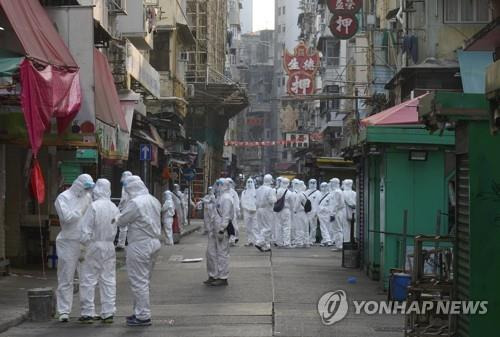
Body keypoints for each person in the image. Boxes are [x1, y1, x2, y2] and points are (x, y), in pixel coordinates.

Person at [114, 178, 162, 326]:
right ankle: (139, 311)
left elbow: (122, 221)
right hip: (154, 243)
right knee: (144, 281)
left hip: (140, 244)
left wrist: (115, 217)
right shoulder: (153, 200)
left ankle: (143, 316)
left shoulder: (136, 203)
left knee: (138, 281)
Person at [54, 174, 95, 322]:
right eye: (85, 187)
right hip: (68, 241)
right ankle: (64, 311)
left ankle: (88, 310)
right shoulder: (63, 198)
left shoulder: (87, 197)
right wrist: (81, 208)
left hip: (84, 242)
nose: (86, 191)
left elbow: (91, 218)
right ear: (78, 184)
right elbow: (66, 218)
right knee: (66, 276)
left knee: (87, 277)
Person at [79, 179, 120, 323]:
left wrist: (82, 247)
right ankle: (108, 312)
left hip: (94, 245)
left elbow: (85, 229)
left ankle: (87, 312)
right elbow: (116, 227)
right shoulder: (114, 207)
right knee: (108, 279)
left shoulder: (94, 207)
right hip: (109, 246)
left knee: (89, 278)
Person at [205, 178, 233, 286]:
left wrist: (222, 229)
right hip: (213, 229)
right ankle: (213, 274)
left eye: (219, 185)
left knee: (222, 253)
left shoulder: (226, 198)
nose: (217, 187)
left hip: (221, 230)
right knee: (210, 253)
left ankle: (223, 277)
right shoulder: (219, 197)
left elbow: (226, 216)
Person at [255, 174, 277, 252]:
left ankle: (267, 246)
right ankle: (259, 242)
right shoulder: (270, 190)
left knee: (262, 228)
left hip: (259, 209)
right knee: (268, 228)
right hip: (267, 209)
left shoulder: (259, 189)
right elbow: (272, 200)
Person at [275, 178, 293, 248]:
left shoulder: (277, 191)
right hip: (286, 210)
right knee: (286, 227)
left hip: (278, 210)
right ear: (288, 184)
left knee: (278, 226)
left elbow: (274, 200)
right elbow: (292, 204)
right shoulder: (289, 193)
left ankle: (279, 243)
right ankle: (286, 243)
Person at [116, 171, 132, 249]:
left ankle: (121, 244)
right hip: (132, 208)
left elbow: (124, 199)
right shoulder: (133, 184)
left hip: (126, 208)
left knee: (123, 227)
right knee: (130, 226)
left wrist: (119, 208)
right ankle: (129, 243)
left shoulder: (126, 185)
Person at [292, 180, 310, 248]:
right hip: (305, 213)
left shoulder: (299, 194)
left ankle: (299, 242)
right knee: (306, 228)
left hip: (299, 213)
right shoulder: (306, 193)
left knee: (299, 228)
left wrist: (294, 211)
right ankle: (306, 242)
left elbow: (296, 204)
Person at [330, 178, 346, 251]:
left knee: (337, 229)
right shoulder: (339, 191)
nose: (331, 184)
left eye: (332, 183)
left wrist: (332, 214)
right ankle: (339, 245)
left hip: (336, 212)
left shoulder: (336, 192)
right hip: (339, 212)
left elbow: (335, 204)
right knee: (339, 229)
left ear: (335, 183)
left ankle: (339, 246)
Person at [241, 178, 258, 246]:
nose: (250, 183)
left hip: (255, 212)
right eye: (248, 182)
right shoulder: (244, 192)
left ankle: (256, 241)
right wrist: (247, 208)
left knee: (255, 227)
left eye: (251, 182)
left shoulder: (256, 192)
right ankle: (249, 240)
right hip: (247, 211)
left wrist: (254, 209)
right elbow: (242, 201)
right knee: (247, 227)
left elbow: (258, 201)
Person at [317, 182, 334, 247]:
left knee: (328, 227)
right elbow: (316, 204)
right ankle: (328, 240)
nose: (323, 188)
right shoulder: (319, 194)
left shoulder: (330, 195)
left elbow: (332, 205)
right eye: (322, 186)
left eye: (325, 186)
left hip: (327, 213)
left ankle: (325, 240)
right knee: (323, 227)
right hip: (321, 213)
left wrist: (332, 213)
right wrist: (317, 212)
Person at [305, 179, 322, 244]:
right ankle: (306, 239)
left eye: (314, 183)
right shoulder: (306, 192)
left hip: (314, 212)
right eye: (311, 183)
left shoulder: (318, 193)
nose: (312, 184)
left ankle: (312, 239)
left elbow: (319, 203)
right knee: (306, 226)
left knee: (313, 226)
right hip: (307, 211)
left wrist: (317, 212)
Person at [341, 179, 356, 245]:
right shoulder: (355, 193)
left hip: (345, 211)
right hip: (354, 211)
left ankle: (346, 241)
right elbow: (354, 204)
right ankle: (354, 239)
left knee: (346, 226)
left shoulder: (342, 193)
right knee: (354, 226)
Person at [227, 178, 241, 246]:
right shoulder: (222, 191)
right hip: (224, 213)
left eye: (230, 182)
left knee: (235, 227)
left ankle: (234, 238)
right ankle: (231, 239)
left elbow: (237, 201)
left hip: (232, 212)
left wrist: (238, 210)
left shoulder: (233, 192)